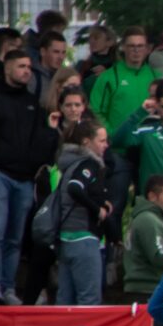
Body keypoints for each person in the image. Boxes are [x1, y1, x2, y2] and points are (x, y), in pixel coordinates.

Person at [0, 49, 59, 303]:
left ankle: (8, 287)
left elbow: (41, 142)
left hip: (24, 178)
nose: (26, 71)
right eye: (21, 66)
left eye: (29, 68)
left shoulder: (32, 103)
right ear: (7, 67)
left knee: (15, 236)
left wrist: (52, 132)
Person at [54, 120, 112, 304]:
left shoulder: (70, 163)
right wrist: (98, 210)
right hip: (84, 239)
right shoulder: (88, 163)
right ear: (87, 142)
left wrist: (101, 201)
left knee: (65, 301)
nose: (106, 145)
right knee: (89, 301)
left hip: (66, 238)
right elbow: (75, 188)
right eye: (102, 141)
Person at [123, 176, 163, 299]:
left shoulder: (148, 218)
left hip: (144, 290)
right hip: (146, 291)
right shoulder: (148, 220)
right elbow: (159, 256)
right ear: (152, 196)